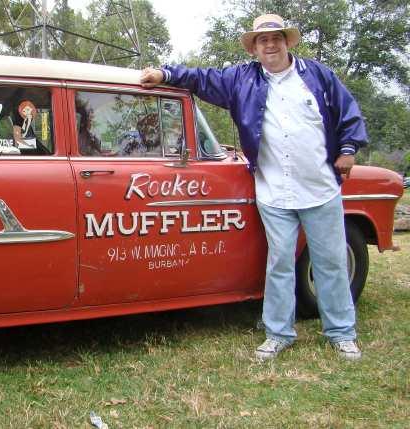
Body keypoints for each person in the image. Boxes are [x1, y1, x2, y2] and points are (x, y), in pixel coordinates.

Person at [140, 13, 367, 361]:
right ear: (254, 48)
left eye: (276, 38)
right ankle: (278, 333)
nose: (270, 45)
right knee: (279, 263)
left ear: (287, 42)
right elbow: (201, 78)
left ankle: (341, 333)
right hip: (273, 191)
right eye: (263, 40)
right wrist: (165, 74)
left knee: (332, 262)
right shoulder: (240, 79)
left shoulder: (317, 75)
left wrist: (348, 149)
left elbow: (347, 111)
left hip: (320, 187)